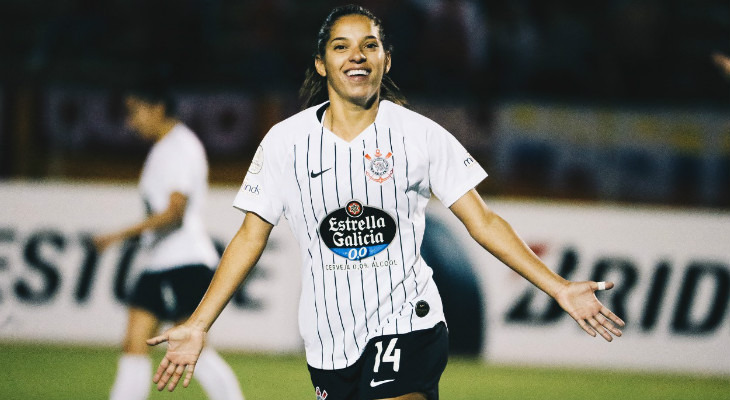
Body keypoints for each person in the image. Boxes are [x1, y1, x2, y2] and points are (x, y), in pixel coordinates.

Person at [147, 5, 625, 400]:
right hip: (328, 341)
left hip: (409, 322)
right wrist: (197, 323)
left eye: (369, 45)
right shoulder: (284, 143)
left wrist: (559, 287)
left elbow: (483, 220)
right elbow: (251, 235)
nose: (356, 56)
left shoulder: (419, 136)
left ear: (386, 60)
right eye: (341, 46)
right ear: (321, 64)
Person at [93, 83, 245, 400]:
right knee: (135, 344)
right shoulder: (168, 147)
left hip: (181, 261)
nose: (130, 122)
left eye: (135, 111)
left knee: (188, 346)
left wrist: (118, 234)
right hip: (163, 261)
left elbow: (174, 213)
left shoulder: (178, 147)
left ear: (157, 107)